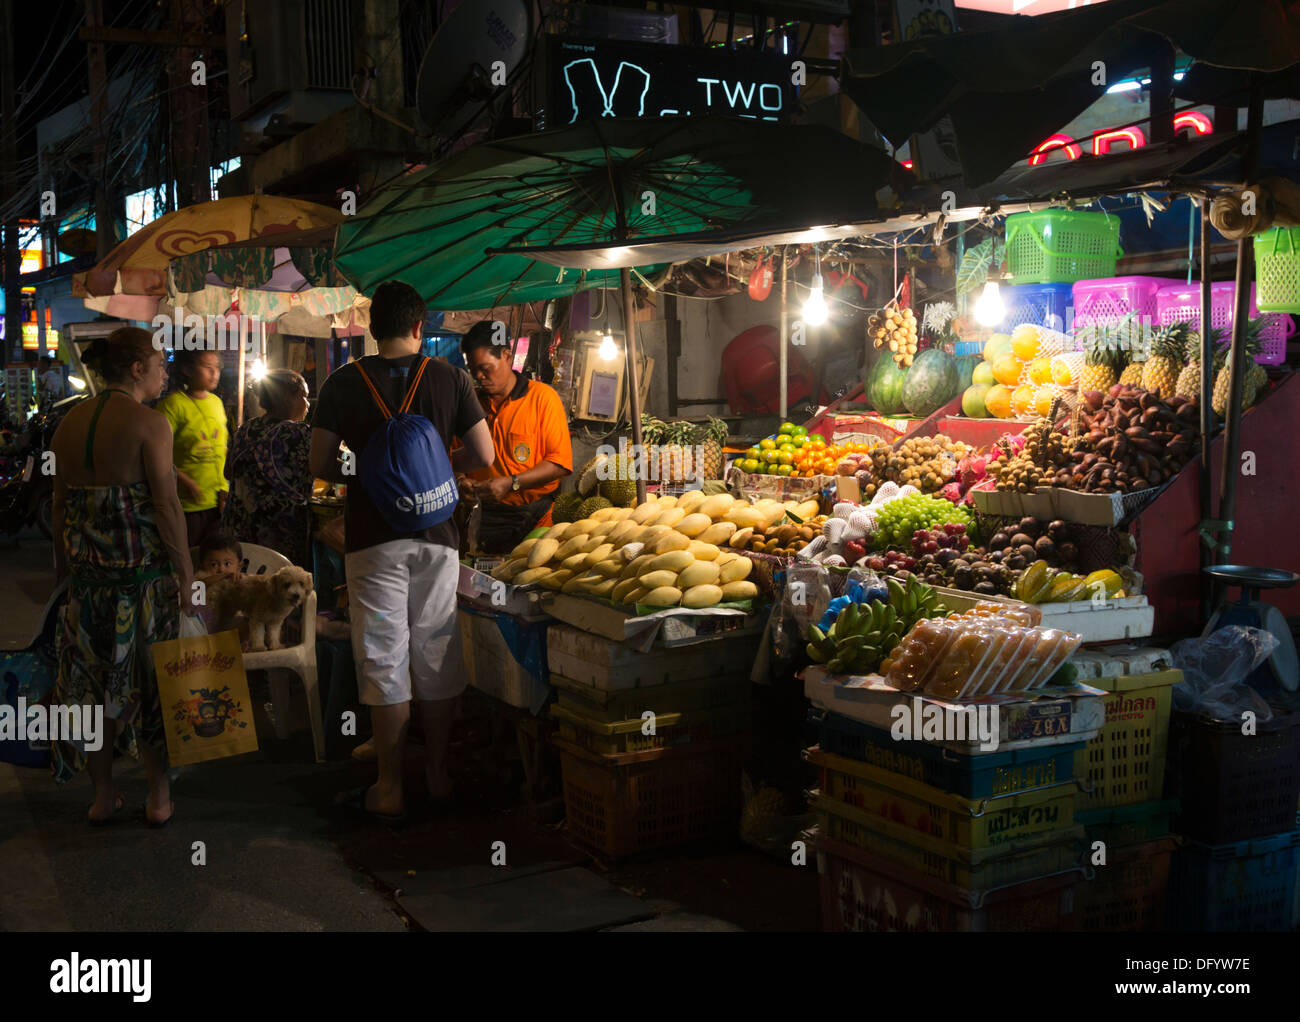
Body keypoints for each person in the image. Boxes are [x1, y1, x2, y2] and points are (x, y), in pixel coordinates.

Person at [310, 280, 495, 823]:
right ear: (420, 326)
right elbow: (482, 454)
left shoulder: (342, 382)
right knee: (436, 651)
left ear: (372, 326)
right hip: (437, 536)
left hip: (371, 538)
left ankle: (388, 788)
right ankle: (437, 777)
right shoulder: (451, 377)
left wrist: (371, 473)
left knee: (385, 657)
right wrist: (438, 469)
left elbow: (321, 463)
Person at [47, 327, 194, 827]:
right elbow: (167, 504)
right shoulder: (151, 424)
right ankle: (158, 797)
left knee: (91, 692)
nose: (165, 372)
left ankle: (103, 795)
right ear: (136, 368)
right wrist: (187, 572)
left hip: (88, 588)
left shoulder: (67, 427)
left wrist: (63, 574)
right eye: (159, 364)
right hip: (145, 585)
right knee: (153, 688)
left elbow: (60, 507)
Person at [459, 321, 573, 552]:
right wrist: (461, 482)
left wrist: (512, 483)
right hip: (485, 518)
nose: (479, 376)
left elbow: (559, 463)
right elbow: (454, 458)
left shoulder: (543, 398)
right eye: (473, 370)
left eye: (485, 368)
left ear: (507, 356)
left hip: (537, 518)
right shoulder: (469, 405)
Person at [222, 369, 313, 567]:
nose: (307, 404)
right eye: (303, 397)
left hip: (240, 531)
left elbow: (228, 472)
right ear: (288, 397)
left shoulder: (245, 429)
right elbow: (326, 467)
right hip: (279, 535)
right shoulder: (299, 433)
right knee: (281, 589)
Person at [156, 349, 228, 548]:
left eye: (217, 368)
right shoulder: (172, 406)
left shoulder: (216, 403)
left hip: (219, 501)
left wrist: (225, 486)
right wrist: (185, 481)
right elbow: (157, 457)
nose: (215, 373)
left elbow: (222, 449)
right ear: (187, 369)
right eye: (207, 367)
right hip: (188, 504)